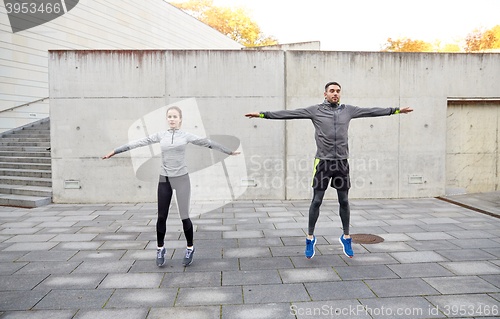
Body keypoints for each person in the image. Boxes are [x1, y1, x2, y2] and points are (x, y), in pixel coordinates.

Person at [245, 82, 413, 259]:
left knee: (344, 201)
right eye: (332, 91)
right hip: (323, 163)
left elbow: (371, 111)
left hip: (341, 163)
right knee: (317, 201)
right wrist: (262, 114)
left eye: (338, 91)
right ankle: (310, 238)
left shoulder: (349, 110)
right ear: (325, 94)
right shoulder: (315, 111)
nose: (335, 94)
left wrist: (396, 110)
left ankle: (346, 236)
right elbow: (288, 114)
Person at [103, 106, 240, 267]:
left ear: (180, 119)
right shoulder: (161, 135)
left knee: (184, 216)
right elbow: (137, 143)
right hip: (165, 180)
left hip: (182, 179)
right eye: (169, 117)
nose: (172, 119)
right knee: (162, 217)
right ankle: (160, 249)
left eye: (175, 116)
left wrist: (229, 152)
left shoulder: (186, 136)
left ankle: (190, 248)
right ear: (167, 119)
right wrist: (114, 151)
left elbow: (207, 143)